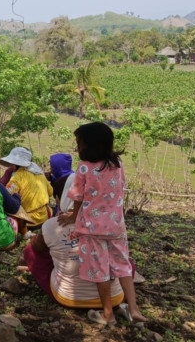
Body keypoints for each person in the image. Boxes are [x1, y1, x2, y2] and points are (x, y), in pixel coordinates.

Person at [58, 122, 146, 326]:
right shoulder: (118, 164)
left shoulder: (84, 167)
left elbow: (78, 196)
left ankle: (108, 313)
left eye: (79, 143)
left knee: (100, 270)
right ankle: (133, 308)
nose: (77, 147)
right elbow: (120, 188)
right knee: (123, 266)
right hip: (116, 226)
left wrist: (72, 216)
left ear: (89, 144)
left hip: (91, 227)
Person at [24, 173, 137, 311]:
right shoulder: (112, 222)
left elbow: (36, 248)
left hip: (68, 297)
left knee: (30, 251)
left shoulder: (51, 225)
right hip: (115, 298)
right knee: (127, 263)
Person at [0, 146, 53, 228]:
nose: (10, 166)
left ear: (17, 164)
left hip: (29, 220)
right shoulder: (39, 173)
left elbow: (5, 197)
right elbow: (50, 192)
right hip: (46, 216)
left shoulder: (17, 177)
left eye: (12, 163)